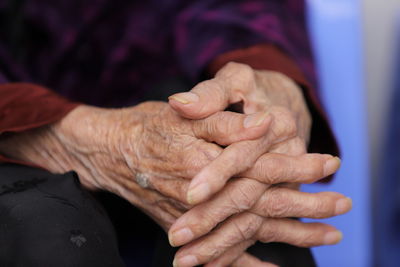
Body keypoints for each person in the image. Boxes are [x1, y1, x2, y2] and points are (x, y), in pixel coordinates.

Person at [0, 0, 351, 266]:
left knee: (232, 183)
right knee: (48, 228)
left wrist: (267, 76)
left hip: (153, 84)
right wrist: (87, 136)